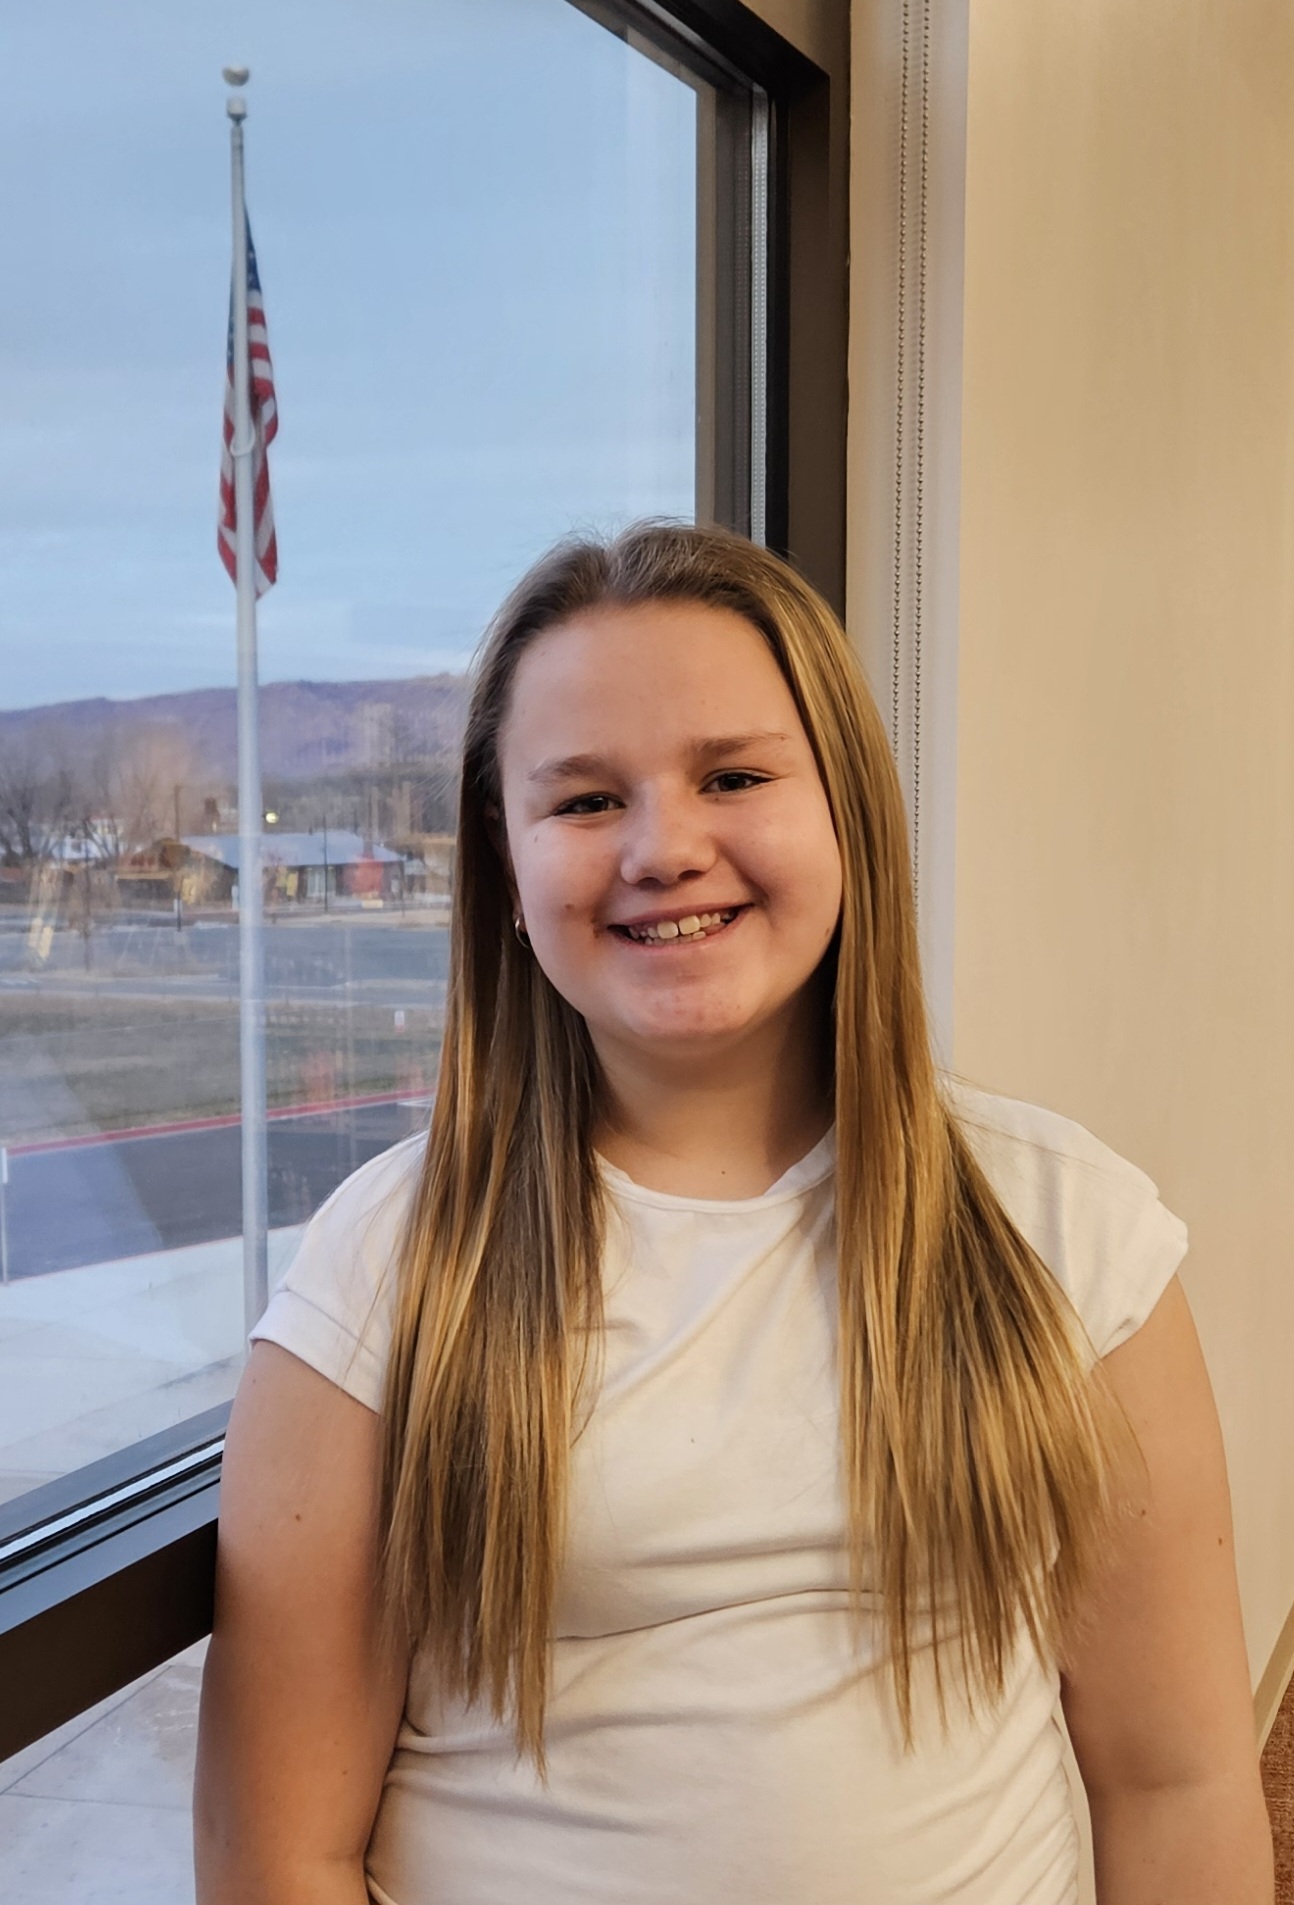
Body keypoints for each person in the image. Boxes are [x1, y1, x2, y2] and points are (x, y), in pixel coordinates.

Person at [193, 523, 1273, 1904]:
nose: (662, 847)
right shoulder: (390, 1268)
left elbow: (1171, 1784)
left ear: (847, 812)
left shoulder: (1070, 1231)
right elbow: (276, 1850)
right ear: (504, 867)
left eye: (735, 775)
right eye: (583, 801)